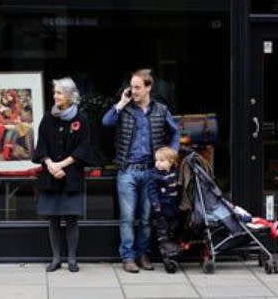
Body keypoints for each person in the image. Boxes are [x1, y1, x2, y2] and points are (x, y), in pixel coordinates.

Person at [102, 69, 180, 273]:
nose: (133, 91)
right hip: (127, 170)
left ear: (148, 87)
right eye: (132, 86)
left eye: (137, 87)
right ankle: (127, 257)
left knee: (147, 218)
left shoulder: (161, 110)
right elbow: (106, 122)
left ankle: (143, 254)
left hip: (151, 172)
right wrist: (120, 103)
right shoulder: (125, 108)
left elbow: (175, 133)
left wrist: (171, 156)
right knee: (127, 217)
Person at [32, 77, 92, 273]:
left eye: (58, 92)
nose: (55, 96)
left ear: (69, 95)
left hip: (72, 175)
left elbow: (83, 148)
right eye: (55, 92)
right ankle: (56, 258)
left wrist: (62, 165)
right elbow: (41, 146)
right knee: (53, 219)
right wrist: (50, 164)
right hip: (50, 175)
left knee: (72, 218)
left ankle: (72, 259)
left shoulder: (81, 119)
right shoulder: (47, 118)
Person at [148, 147, 180, 255]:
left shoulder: (174, 173)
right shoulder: (154, 176)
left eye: (161, 161)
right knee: (162, 228)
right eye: (156, 160)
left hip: (173, 208)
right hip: (161, 209)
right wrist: (156, 205)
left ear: (171, 162)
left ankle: (172, 243)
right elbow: (152, 192)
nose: (157, 163)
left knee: (173, 226)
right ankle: (165, 245)